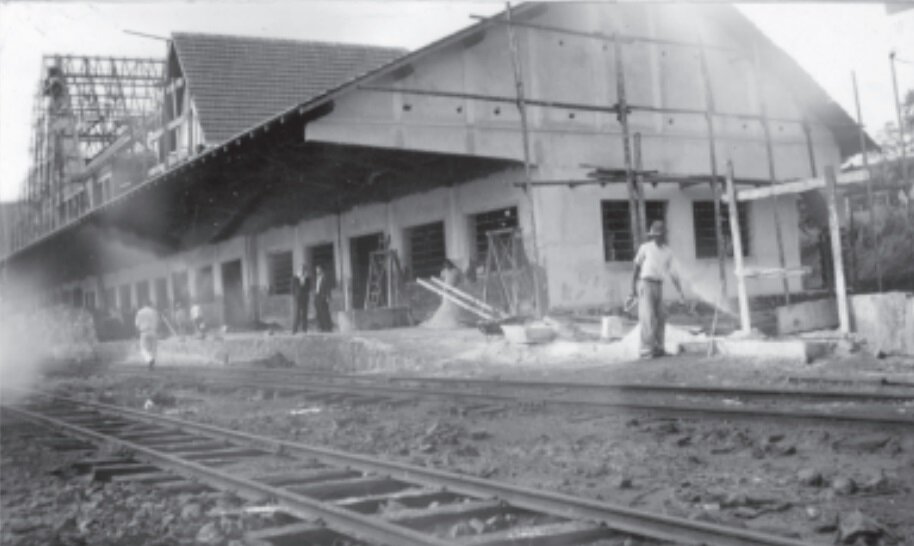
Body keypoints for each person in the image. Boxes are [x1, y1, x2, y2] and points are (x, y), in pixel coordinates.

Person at [630, 220, 686, 359]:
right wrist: (632, 288)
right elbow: (636, 267)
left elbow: (673, 273)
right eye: (656, 235)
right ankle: (646, 350)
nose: (658, 237)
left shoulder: (668, 252)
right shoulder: (645, 248)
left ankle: (659, 348)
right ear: (652, 236)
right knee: (647, 317)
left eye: (661, 235)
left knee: (660, 317)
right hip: (646, 283)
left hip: (658, 285)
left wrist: (680, 291)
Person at [134, 304, 160, 369]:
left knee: (143, 349)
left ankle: (149, 359)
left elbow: (137, 324)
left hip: (144, 332)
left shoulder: (139, 312)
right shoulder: (154, 312)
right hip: (153, 331)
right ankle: (152, 361)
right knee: (153, 348)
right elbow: (158, 321)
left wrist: (137, 332)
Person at [291, 263, 312, 333]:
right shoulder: (295, 278)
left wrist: (304, 282)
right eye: (301, 269)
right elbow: (292, 289)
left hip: (305, 298)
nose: (302, 270)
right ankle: (294, 330)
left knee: (305, 314)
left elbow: (309, 288)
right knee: (296, 314)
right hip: (297, 299)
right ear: (298, 270)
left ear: (305, 270)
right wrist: (295, 297)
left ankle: (304, 329)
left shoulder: (307, 279)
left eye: (303, 269)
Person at [314, 264, 333, 332]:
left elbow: (328, 288)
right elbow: (316, 288)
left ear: (321, 270)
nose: (317, 271)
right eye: (316, 270)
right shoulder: (317, 278)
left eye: (318, 269)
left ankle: (328, 327)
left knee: (325, 312)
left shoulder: (325, 277)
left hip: (323, 296)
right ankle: (321, 327)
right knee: (319, 312)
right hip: (317, 296)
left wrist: (328, 296)